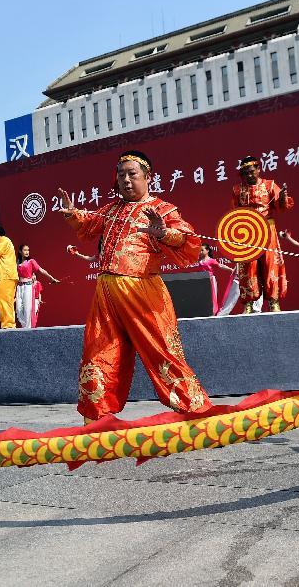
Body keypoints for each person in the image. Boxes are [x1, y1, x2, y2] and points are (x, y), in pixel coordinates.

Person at [59, 150, 212, 422]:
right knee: (98, 351)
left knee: (161, 351)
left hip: (142, 291)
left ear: (148, 177)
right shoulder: (111, 210)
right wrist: (73, 214)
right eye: (121, 175)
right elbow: (89, 224)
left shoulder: (163, 209)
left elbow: (188, 242)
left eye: (133, 174)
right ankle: (97, 417)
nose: (126, 180)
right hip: (105, 292)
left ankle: (196, 411)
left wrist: (163, 232)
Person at [230, 155, 294, 313]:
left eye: (251, 171)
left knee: (270, 264)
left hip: (267, 229)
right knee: (248, 267)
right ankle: (248, 304)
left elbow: (282, 206)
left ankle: (274, 302)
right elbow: (234, 213)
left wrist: (283, 196)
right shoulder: (237, 189)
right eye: (245, 173)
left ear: (258, 170)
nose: (249, 175)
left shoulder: (269, 185)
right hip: (248, 232)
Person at [15, 244, 59, 328]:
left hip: (28, 287)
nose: (27, 252)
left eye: (28, 250)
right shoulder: (17, 263)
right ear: (20, 251)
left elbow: (41, 270)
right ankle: (25, 328)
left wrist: (51, 278)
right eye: (25, 250)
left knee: (28, 310)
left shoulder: (31, 261)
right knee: (18, 310)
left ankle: (27, 331)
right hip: (19, 287)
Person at [195, 244, 238, 315]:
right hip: (203, 281)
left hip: (210, 280)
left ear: (207, 251)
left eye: (202, 250)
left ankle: (214, 311)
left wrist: (231, 269)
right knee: (204, 296)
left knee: (213, 296)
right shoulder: (200, 261)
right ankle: (206, 311)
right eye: (200, 251)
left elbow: (220, 265)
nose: (201, 252)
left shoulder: (211, 260)